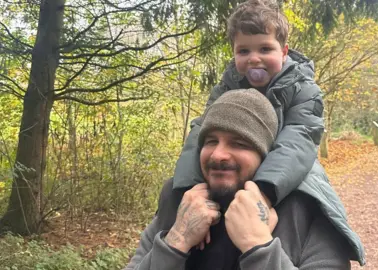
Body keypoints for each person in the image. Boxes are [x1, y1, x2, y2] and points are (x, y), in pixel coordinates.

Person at [125, 89, 365, 269]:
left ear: (265, 155)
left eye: (239, 143)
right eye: (210, 141)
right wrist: (176, 241)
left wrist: (257, 245)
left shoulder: (307, 208)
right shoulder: (180, 200)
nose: (218, 154)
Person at [174, 0, 323, 211]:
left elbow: (299, 138)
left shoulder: (303, 89)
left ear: (283, 52)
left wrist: (263, 191)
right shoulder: (225, 88)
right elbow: (200, 132)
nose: (254, 59)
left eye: (265, 48)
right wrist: (192, 187)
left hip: (284, 172)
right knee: (172, 192)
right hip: (234, 169)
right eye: (243, 51)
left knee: (311, 197)